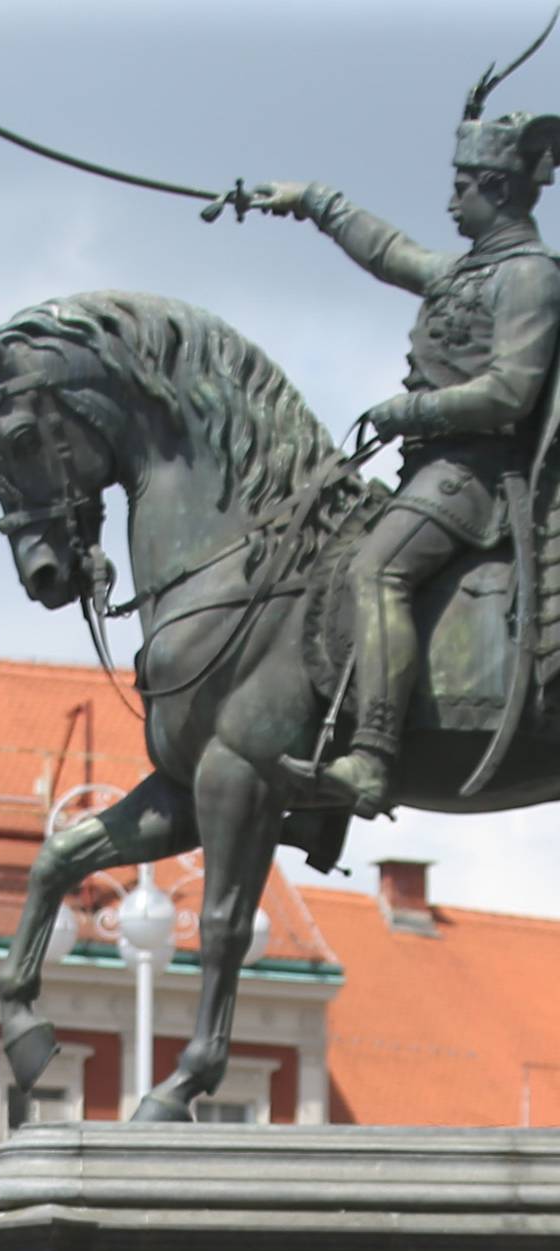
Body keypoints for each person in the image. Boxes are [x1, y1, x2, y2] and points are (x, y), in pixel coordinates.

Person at [258, 107, 560, 813]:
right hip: (434, 468)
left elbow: (510, 391)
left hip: (478, 476)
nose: (451, 199)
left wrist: (411, 412)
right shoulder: (468, 270)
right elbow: (389, 251)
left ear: (500, 189)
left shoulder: (529, 277)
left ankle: (371, 757)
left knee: (377, 568)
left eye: (463, 186)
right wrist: (312, 200)